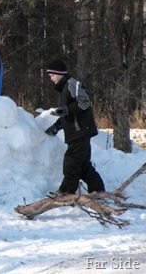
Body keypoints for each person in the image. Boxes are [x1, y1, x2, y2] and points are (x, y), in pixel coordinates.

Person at [44, 59, 105, 198]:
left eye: (52, 75)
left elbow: (84, 102)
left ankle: (66, 192)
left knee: (71, 162)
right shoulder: (65, 88)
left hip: (80, 131)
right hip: (77, 132)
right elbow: (69, 113)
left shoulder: (73, 84)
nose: (51, 78)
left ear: (60, 73)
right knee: (83, 166)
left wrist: (65, 110)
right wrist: (57, 126)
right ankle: (98, 191)